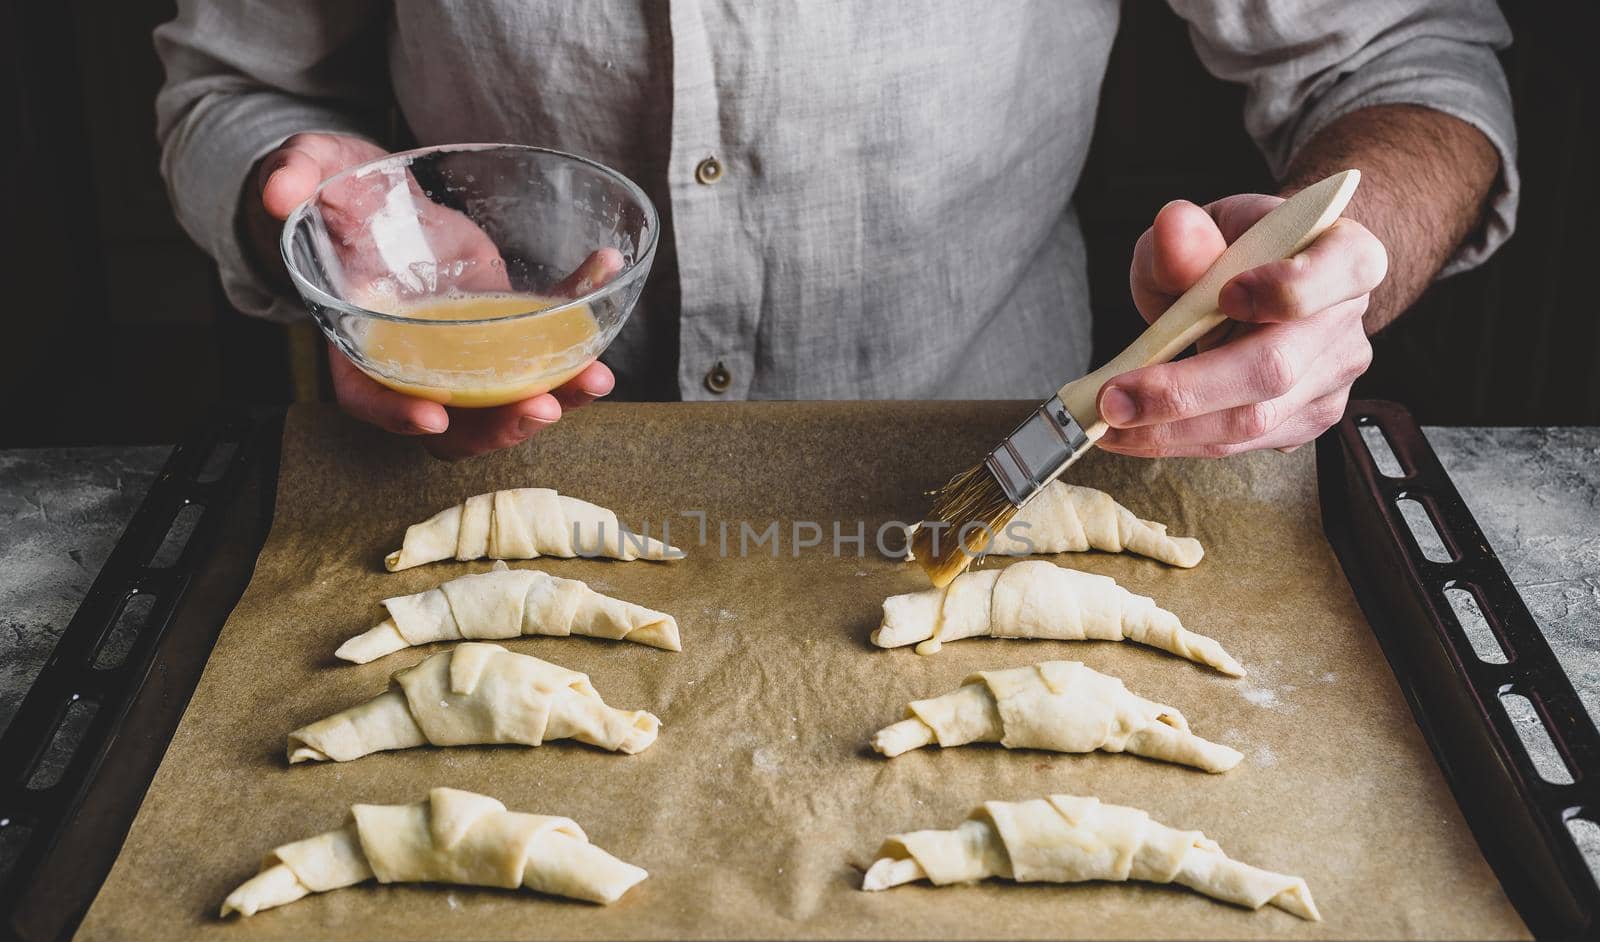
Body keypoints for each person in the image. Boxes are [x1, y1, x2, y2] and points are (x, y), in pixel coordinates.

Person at [154, 3, 1515, 461]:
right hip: (474, 481)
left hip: (999, 473)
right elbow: (236, 81)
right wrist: (331, 210)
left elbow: (1400, 61)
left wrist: (1344, 261)